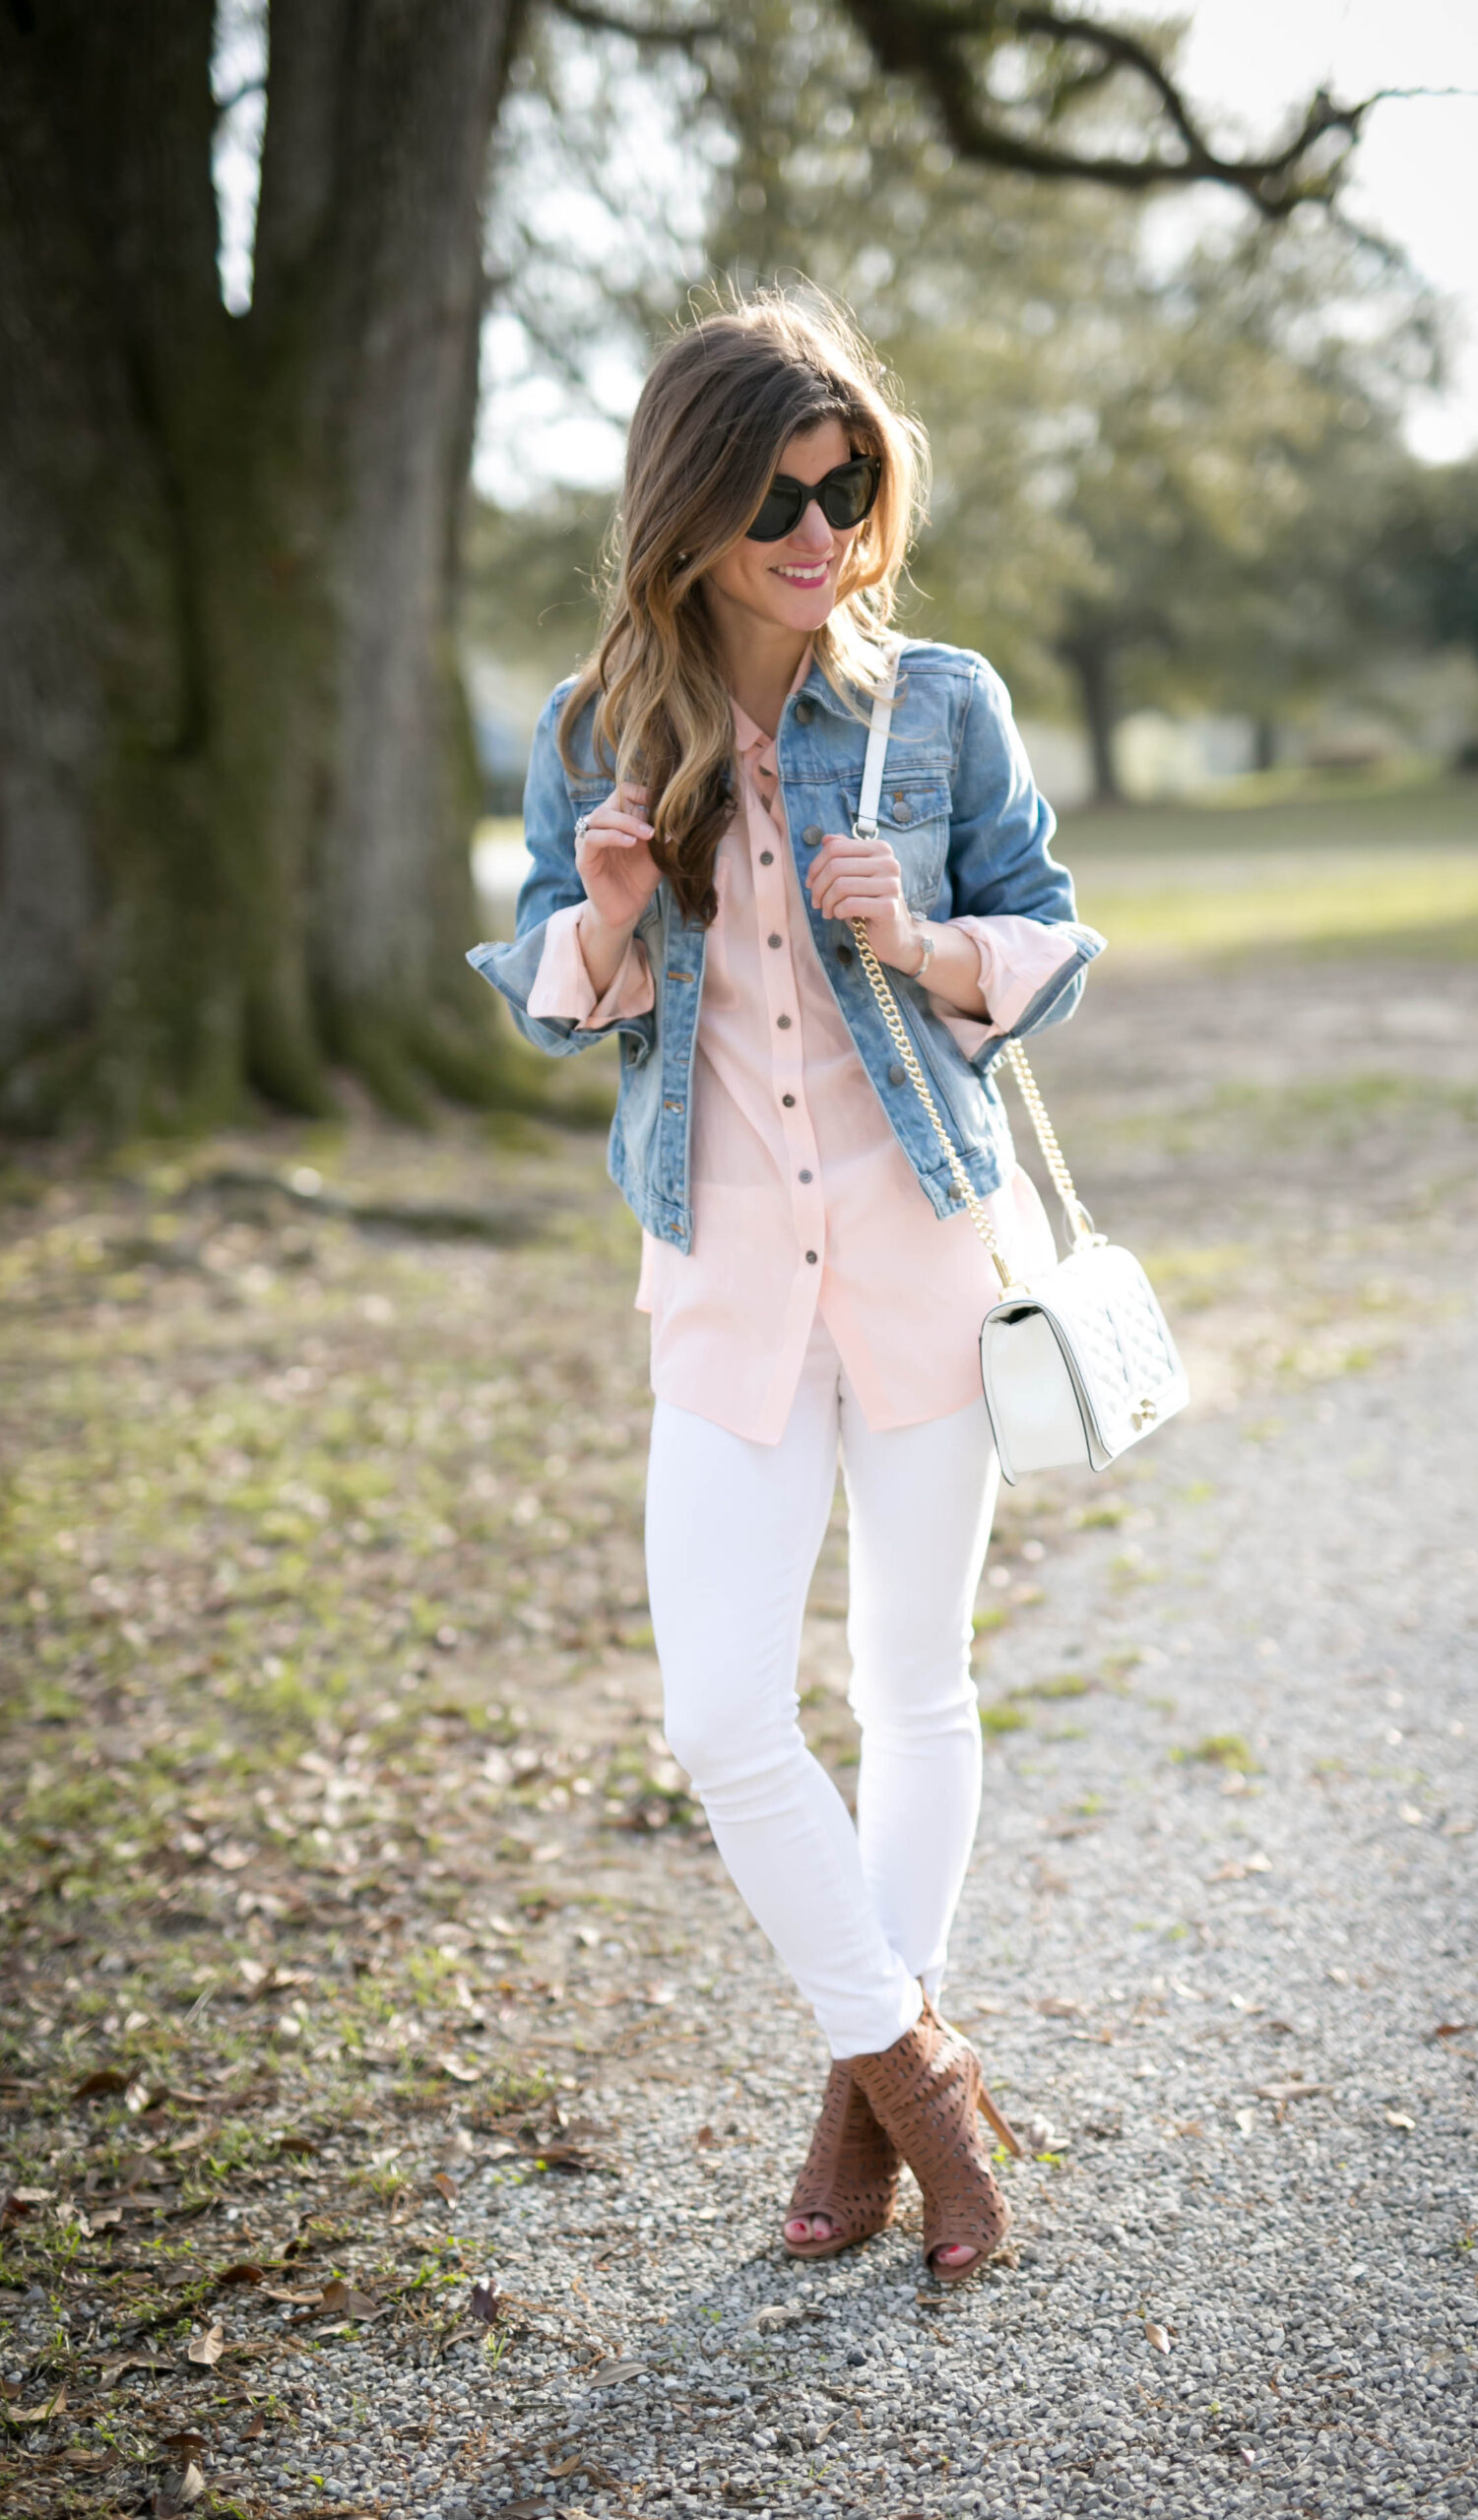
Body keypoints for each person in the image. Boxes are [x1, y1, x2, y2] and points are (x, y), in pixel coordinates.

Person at [468, 287, 1103, 2282]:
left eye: (845, 486)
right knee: (724, 1711)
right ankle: (921, 2074)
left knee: (911, 1686)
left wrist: (916, 941)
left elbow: (1050, 939)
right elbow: (548, 1004)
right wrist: (603, 918)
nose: (817, 528)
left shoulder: (941, 705)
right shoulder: (592, 733)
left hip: (922, 1251)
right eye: (773, 494)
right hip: (727, 1286)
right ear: (689, 503)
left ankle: (857, 2111)